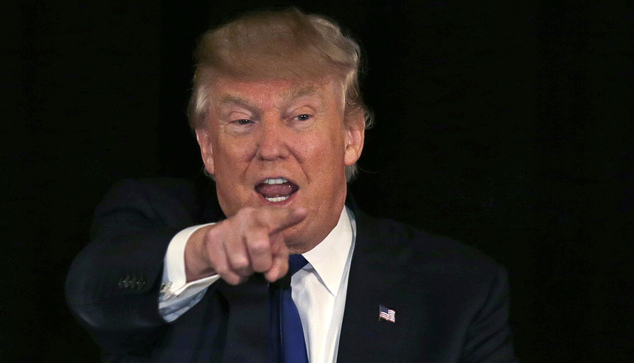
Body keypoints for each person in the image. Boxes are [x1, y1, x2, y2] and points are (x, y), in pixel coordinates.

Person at [66, 8, 517, 362]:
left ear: (351, 137)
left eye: (300, 117)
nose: (270, 148)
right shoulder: (152, 217)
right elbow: (96, 290)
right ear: (207, 146)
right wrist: (205, 251)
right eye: (242, 121)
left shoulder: (457, 290)